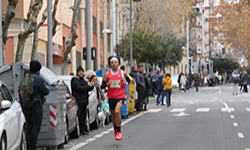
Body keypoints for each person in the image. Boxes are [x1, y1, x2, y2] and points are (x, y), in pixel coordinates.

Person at [101, 56, 128, 140]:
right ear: (110, 64)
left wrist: (125, 83)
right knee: (113, 116)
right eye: (112, 63)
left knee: (117, 112)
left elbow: (129, 81)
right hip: (111, 96)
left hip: (120, 96)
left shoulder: (123, 73)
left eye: (115, 62)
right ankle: (115, 129)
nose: (114, 64)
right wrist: (107, 84)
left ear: (118, 64)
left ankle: (119, 131)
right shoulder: (107, 74)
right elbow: (102, 85)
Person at [25, 61, 49, 150]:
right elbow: (45, 91)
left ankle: (27, 146)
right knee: (36, 127)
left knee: (29, 127)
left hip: (26, 105)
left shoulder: (26, 77)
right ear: (38, 70)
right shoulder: (38, 79)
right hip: (36, 105)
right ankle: (33, 147)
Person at [71, 66, 96, 136]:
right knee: (78, 116)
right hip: (78, 102)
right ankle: (79, 131)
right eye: (80, 71)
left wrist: (91, 85)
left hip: (84, 102)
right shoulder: (75, 80)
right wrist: (88, 86)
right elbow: (80, 88)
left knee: (83, 117)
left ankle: (82, 130)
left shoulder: (83, 80)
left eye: (82, 71)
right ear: (77, 72)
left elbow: (87, 88)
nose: (81, 73)